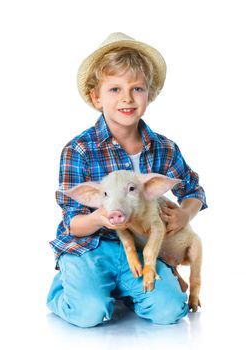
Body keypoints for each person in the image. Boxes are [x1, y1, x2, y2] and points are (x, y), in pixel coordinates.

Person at [46, 32, 207, 327]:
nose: (126, 98)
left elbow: (193, 188)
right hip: (93, 248)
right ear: (96, 97)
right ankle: (67, 289)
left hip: (146, 248)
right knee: (88, 314)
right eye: (115, 89)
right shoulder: (79, 150)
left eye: (137, 89)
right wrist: (102, 218)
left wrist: (185, 213)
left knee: (170, 311)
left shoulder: (164, 149)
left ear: (150, 94)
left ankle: (123, 291)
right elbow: (73, 222)